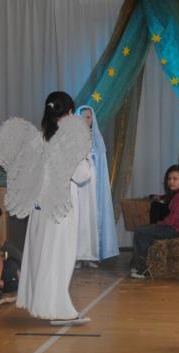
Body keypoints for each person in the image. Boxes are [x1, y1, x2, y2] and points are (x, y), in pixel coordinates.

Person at [0, 91, 92, 325]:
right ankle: (58, 310)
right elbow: (82, 175)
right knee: (58, 258)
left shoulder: (38, 139)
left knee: (41, 256)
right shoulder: (67, 142)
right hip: (59, 209)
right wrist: (85, 154)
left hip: (39, 209)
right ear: (69, 112)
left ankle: (40, 303)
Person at [129, 165, 179, 279]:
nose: (171, 181)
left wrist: (157, 225)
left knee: (141, 232)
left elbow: (171, 221)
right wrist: (159, 197)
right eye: (169, 179)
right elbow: (167, 200)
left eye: (175, 179)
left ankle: (142, 269)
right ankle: (139, 265)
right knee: (143, 230)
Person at [74, 105, 119, 268]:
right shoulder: (72, 138)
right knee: (79, 218)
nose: (85, 120)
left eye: (88, 117)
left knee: (92, 218)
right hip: (78, 185)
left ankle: (91, 255)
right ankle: (77, 255)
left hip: (92, 185)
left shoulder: (97, 138)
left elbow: (101, 163)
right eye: (82, 116)